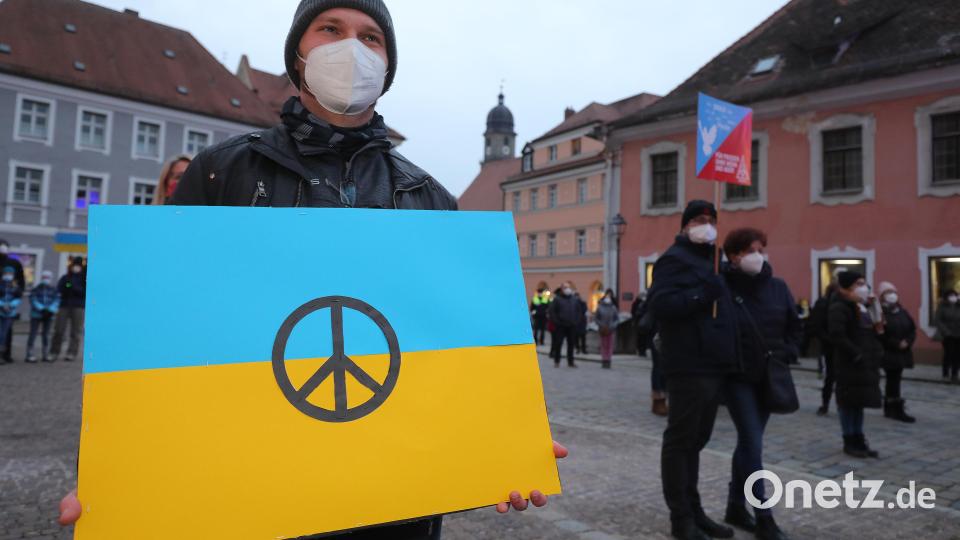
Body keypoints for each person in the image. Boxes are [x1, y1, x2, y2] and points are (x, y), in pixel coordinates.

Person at [60, 2, 566, 536]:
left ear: (388, 66)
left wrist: (505, 444)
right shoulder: (221, 174)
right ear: (297, 52)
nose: (352, 47)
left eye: (372, 38)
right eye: (331, 28)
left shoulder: (428, 197)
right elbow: (160, 335)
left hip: (398, 501)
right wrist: (119, 469)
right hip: (253, 491)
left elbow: (460, 348)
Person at [650, 200, 739, 540]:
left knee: (695, 444)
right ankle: (681, 519)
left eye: (712, 220)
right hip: (687, 364)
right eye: (700, 220)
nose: (707, 225)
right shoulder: (675, 259)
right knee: (680, 441)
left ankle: (695, 509)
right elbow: (663, 305)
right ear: (686, 225)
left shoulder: (713, 261)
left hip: (713, 364)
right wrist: (704, 293)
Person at [720, 228, 798, 540]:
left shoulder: (778, 287)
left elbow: (795, 326)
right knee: (752, 443)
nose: (758, 255)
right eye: (750, 249)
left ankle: (735, 506)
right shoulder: (722, 287)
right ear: (734, 255)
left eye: (761, 248)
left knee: (748, 444)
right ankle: (763, 515)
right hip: (738, 378)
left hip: (769, 376)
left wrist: (788, 352)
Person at [828, 271, 883, 459]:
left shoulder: (861, 307)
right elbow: (837, 335)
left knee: (859, 403)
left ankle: (859, 438)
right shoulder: (839, 308)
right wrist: (856, 354)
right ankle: (849, 440)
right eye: (859, 283)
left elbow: (878, 328)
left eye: (864, 283)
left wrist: (874, 304)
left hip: (863, 363)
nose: (864, 287)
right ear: (846, 287)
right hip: (849, 364)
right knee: (847, 404)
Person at [876, 282, 916, 422]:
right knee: (892, 380)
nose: (891, 295)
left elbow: (912, 329)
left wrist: (908, 341)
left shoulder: (902, 311)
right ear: (882, 296)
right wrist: (895, 343)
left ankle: (891, 407)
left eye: (893, 291)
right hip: (889, 352)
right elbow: (880, 334)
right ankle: (894, 408)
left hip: (903, 351)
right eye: (887, 292)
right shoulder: (880, 313)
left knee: (896, 379)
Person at [809, 279, 838, 415]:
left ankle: (840, 404)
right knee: (830, 377)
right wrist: (829, 340)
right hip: (830, 347)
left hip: (840, 346)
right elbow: (817, 326)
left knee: (839, 378)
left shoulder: (845, 303)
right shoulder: (823, 303)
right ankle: (825, 404)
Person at [50, 258, 86, 362]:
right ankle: (54, 352)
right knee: (59, 330)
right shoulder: (66, 277)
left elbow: (85, 292)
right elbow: (59, 289)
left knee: (75, 332)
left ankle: (71, 353)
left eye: (78, 265)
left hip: (78, 306)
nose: (76, 267)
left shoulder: (84, 278)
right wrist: (68, 286)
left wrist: (74, 287)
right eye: (75, 265)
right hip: (64, 305)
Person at [26, 270, 59, 363]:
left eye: (47, 277)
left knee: (46, 335)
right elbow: (32, 299)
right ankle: (29, 354)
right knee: (33, 334)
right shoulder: (36, 289)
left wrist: (50, 309)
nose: (46, 279)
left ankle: (45, 354)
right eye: (44, 277)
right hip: (36, 314)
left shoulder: (54, 289)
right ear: (41, 278)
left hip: (49, 315)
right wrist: (41, 308)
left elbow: (57, 300)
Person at [0, 239, 25, 363]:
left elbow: (21, 281)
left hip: (10, 304)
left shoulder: (14, 263)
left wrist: (16, 298)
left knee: (7, 331)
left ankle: (5, 354)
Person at [549, 283, 579, 368]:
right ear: (562, 289)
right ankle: (557, 361)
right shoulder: (557, 299)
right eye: (565, 288)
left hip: (571, 325)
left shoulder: (574, 299)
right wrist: (557, 322)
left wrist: (576, 321)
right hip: (560, 326)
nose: (567, 289)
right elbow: (552, 312)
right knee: (558, 344)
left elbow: (578, 311)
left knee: (571, 344)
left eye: (568, 287)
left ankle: (571, 361)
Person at [934, 289, 960, 384]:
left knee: (957, 355)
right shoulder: (942, 306)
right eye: (950, 295)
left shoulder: (958, 305)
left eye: (954, 295)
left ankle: (955, 374)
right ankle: (945, 374)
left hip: (958, 334)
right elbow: (938, 320)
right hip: (947, 335)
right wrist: (945, 331)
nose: (953, 297)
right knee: (948, 354)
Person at [0, 266, 22, 361]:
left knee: (4, 335)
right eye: (6, 273)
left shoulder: (15, 286)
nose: (8, 275)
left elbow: (18, 298)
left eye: (10, 273)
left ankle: (1, 355)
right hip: (1, 310)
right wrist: (2, 304)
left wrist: (11, 305)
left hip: (9, 313)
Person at [595, 289, 619, 369]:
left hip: (611, 329)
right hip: (602, 329)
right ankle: (604, 360)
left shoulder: (613, 308)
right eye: (607, 296)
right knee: (603, 345)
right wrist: (601, 325)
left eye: (609, 296)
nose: (608, 297)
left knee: (610, 345)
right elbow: (596, 318)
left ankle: (608, 360)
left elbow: (616, 319)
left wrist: (613, 325)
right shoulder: (600, 307)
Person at [631, 291, 649, 356]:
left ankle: (643, 350)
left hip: (644, 322)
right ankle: (641, 350)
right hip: (639, 322)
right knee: (640, 337)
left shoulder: (646, 303)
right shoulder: (636, 303)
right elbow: (633, 312)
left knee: (644, 337)